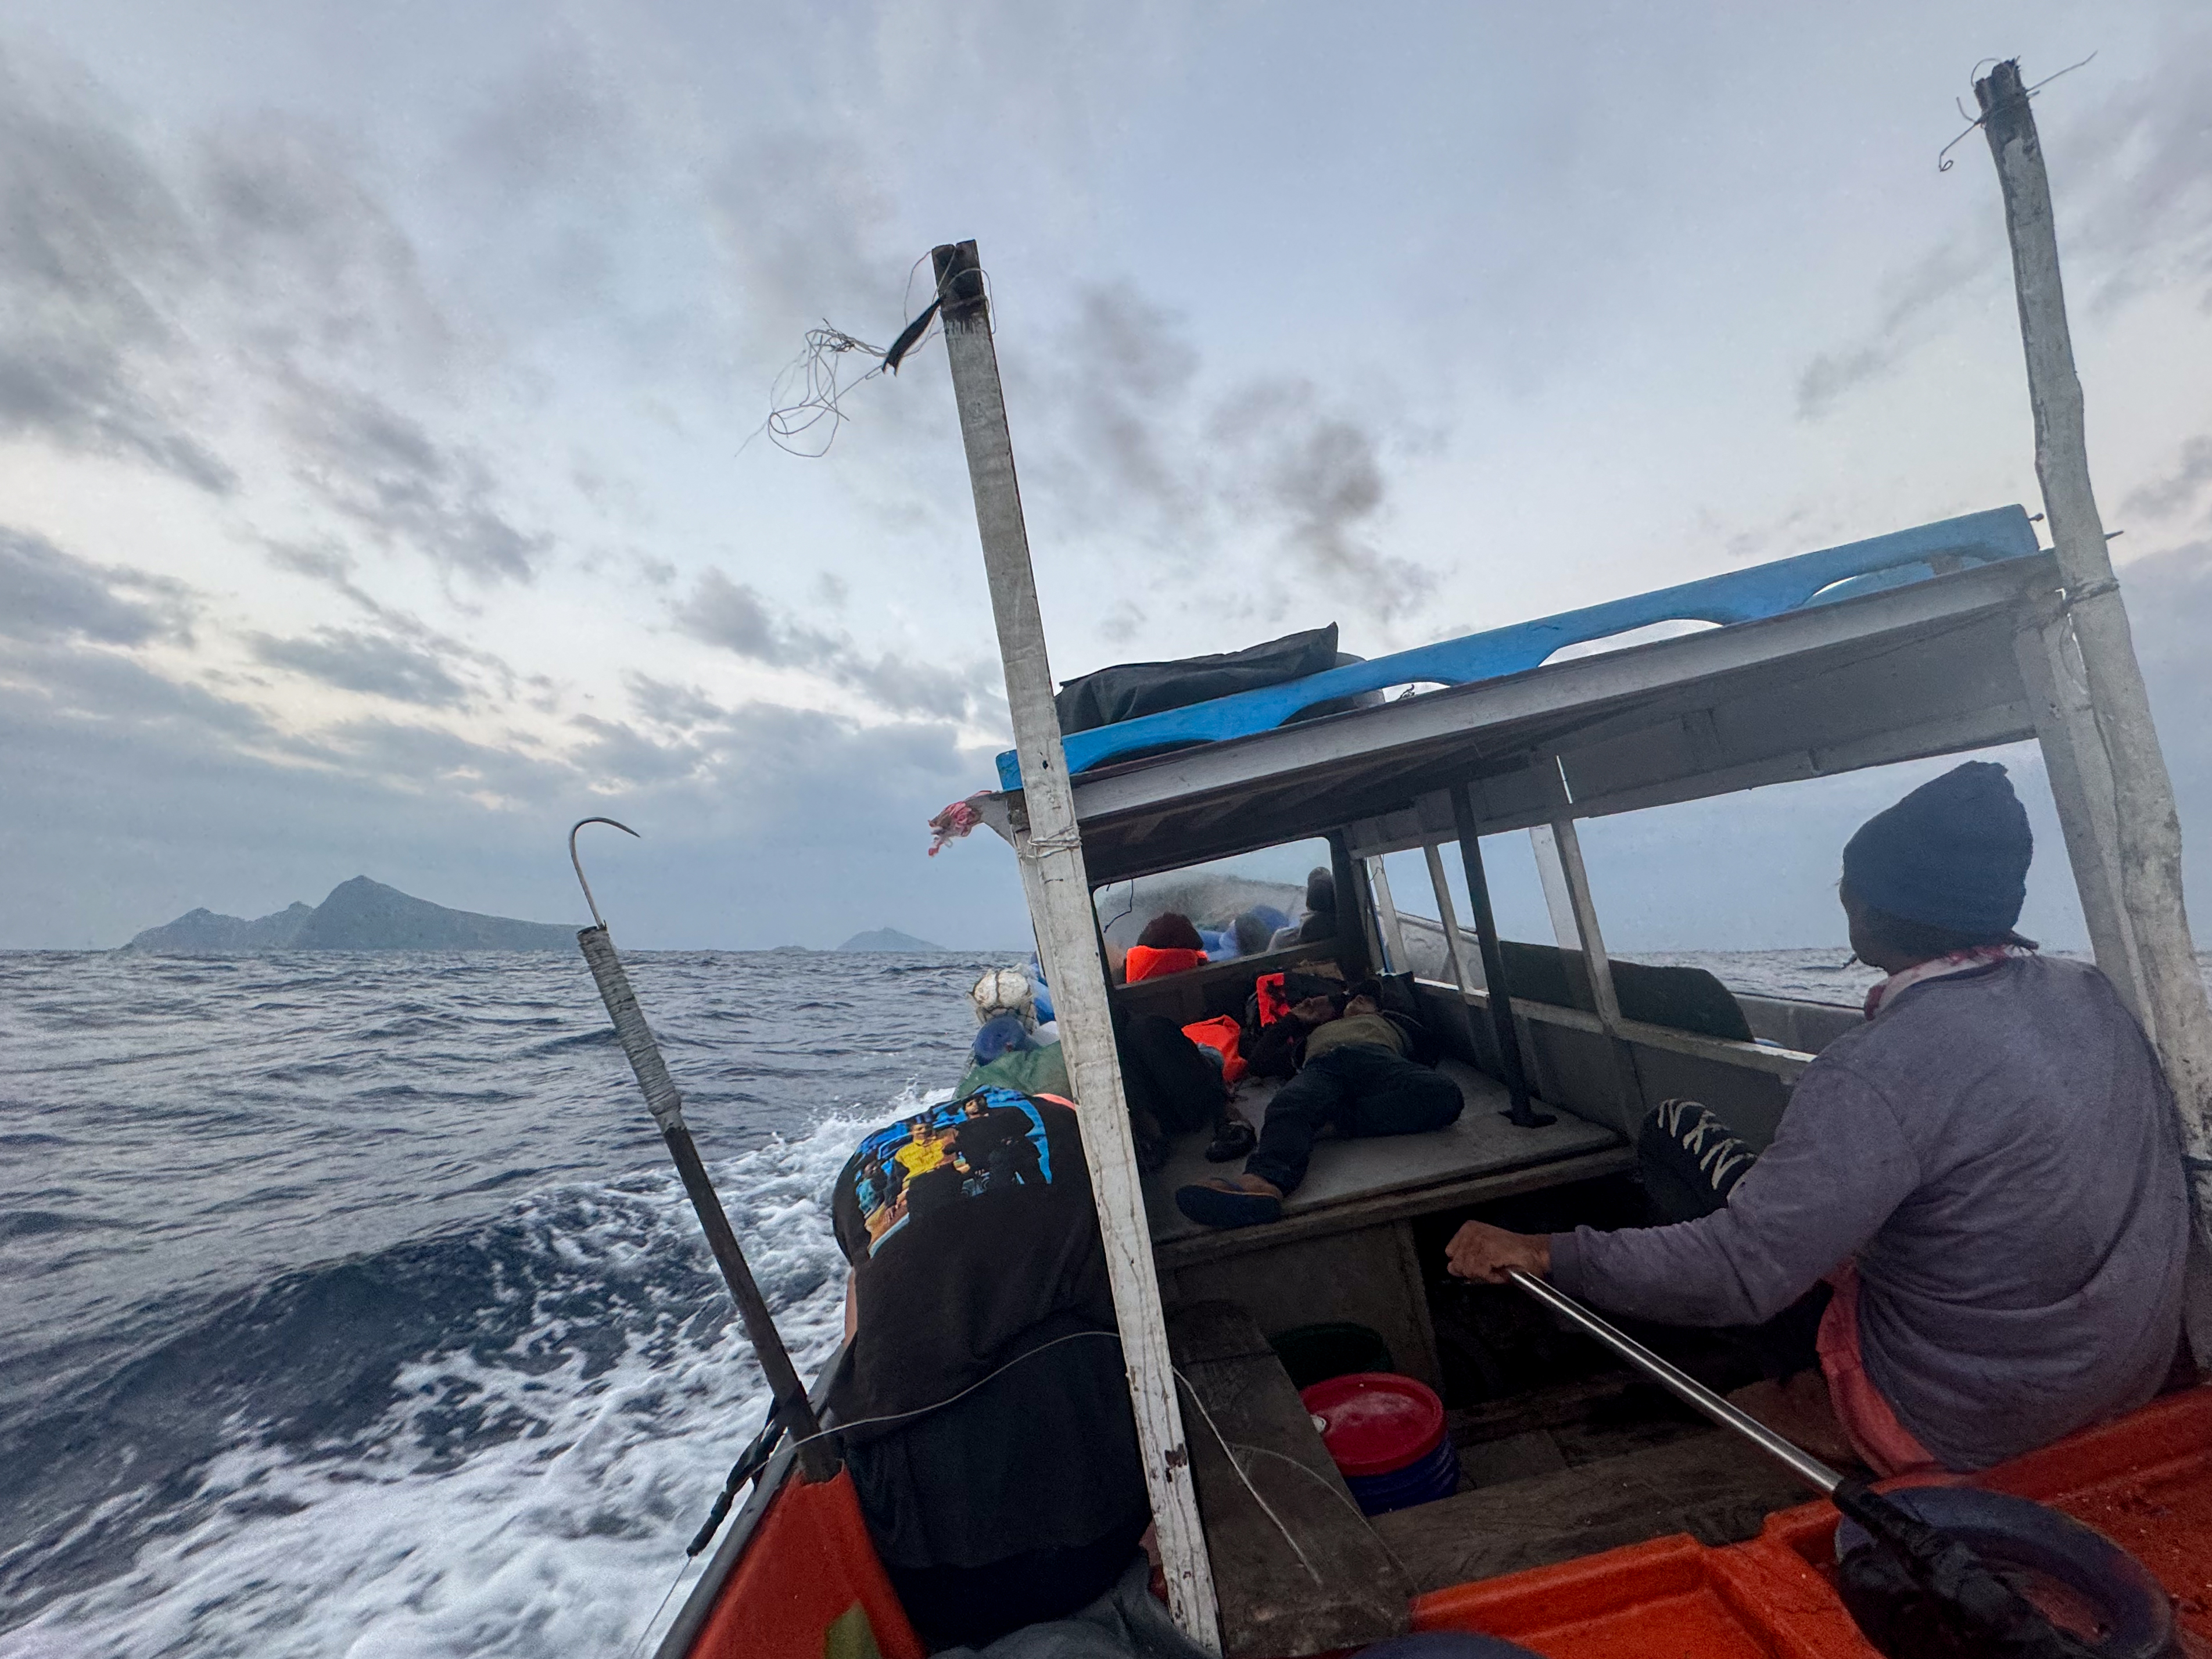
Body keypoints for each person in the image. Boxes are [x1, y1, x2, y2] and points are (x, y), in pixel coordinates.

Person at [1443, 762, 2191, 1475]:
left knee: (1678, 1139)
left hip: (1968, 1418)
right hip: (2120, 1372)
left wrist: (1546, 1252)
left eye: (1851, 882)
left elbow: (1739, 1273)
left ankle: (1818, 1391)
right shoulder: (2087, 993)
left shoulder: (1873, 1070)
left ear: (1874, 905)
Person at [831, 1088, 1150, 1650]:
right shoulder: (1080, 1138)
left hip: (922, 1582)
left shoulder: (859, 1167)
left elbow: (860, 1321)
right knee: (1082, 1328)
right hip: (1087, 1551)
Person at [1174, 981, 1462, 1228]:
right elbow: (1260, 1062)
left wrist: (1349, 1000)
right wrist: (1294, 1020)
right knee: (1288, 1104)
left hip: (1379, 1058)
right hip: (1324, 1067)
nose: (1360, 1001)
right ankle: (1262, 1182)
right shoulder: (1311, 1038)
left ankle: (1338, 1121)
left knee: (1443, 1093)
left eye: (1365, 1001)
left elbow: (1386, 989)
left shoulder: (1396, 1022)